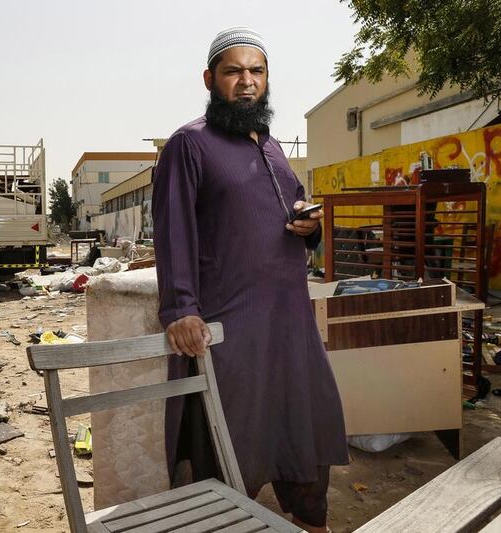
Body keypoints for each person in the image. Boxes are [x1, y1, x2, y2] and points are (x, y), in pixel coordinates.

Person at [152, 27, 349, 533]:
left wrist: (311, 224)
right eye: (233, 71)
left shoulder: (274, 147)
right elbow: (173, 228)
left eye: (256, 71)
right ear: (210, 79)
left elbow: (293, 208)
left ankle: (310, 521)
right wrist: (180, 308)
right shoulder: (189, 144)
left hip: (291, 326)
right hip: (231, 327)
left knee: (303, 430)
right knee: (229, 443)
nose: (246, 82)